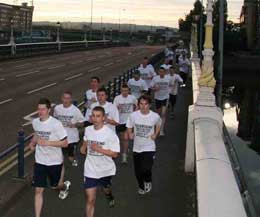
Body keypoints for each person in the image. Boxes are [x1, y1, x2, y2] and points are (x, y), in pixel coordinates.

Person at [29, 98, 71, 217]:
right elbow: (37, 133)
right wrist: (33, 143)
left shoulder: (56, 124)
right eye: (39, 109)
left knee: (55, 186)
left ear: (49, 110)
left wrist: (47, 143)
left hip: (54, 161)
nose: (40, 111)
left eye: (43, 109)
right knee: (38, 190)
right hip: (40, 161)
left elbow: (65, 143)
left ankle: (64, 186)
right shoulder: (35, 122)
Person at [80, 106, 120, 217]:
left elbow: (115, 154)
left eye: (98, 116)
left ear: (103, 118)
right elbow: (85, 143)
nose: (95, 118)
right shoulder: (88, 130)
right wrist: (83, 148)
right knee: (90, 199)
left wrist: (99, 149)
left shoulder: (110, 134)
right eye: (93, 116)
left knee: (106, 188)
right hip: (90, 169)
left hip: (105, 170)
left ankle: (109, 195)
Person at [126, 95, 161, 195]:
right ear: (138, 105)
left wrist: (156, 134)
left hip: (149, 146)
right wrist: (130, 133)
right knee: (138, 171)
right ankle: (141, 186)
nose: (143, 106)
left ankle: (148, 181)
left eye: (145, 104)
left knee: (146, 168)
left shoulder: (154, 116)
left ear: (149, 105)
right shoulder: (133, 115)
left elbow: (159, 124)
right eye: (141, 104)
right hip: (137, 147)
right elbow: (129, 125)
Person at [54, 90, 85, 166]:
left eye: (68, 98)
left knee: (70, 157)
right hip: (60, 137)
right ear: (62, 98)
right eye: (64, 98)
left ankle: (74, 160)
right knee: (59, 158)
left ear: (71, 99)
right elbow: (55, 119)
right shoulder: (57, 108)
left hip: (71, 138)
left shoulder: (75, 110)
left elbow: (83, 123)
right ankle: (61, 169)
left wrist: (74, 125)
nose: (66, 100)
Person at [113, 84, 137, 163]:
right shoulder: (117, 98)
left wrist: (134, 114)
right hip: (120, 121)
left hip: (129, 121)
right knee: (122, 138)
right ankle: (125, 148)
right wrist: (117, 109)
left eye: (126, 90)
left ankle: (124, 155)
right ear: (121, 91)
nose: (124, 92)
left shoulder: (132, 98)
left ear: (128, 91)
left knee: (126, 138)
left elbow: (137, 106)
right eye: (123, 90)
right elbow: (113, 109)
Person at [150, 67, 172, 136]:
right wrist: (154, 89)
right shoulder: (155, 78)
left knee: (163, 114)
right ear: (158, 72)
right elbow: (150, 87)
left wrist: (169, 92)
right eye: (160, 72)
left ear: (165, 72)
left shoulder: (168, 78)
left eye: (163, 72)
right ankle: (157, 128)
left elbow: (171, 85)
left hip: (165, 97)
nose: (161, 73)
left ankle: (161, 130)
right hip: (157, 98)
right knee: (158, 115)